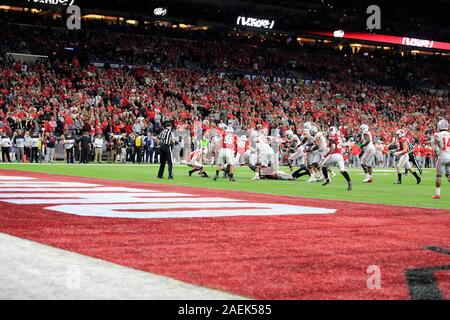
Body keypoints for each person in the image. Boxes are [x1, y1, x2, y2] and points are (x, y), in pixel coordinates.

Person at [320, 127, 352, 191]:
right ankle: (349, 182)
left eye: (330, 131)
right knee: (342, 170)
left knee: (323, 166)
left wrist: (327, 154)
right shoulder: (338, 137)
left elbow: (333, 147)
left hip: (334, 155)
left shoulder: (332, 137)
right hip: (340, 156)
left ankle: (327, 179)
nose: (330, 132)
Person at [431, 119, 449, 199]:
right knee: (448, 176)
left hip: (442, 156)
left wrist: (437, 154)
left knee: (438, 176)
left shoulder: (437, 135)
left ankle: (437, 194)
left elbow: (434, 147)